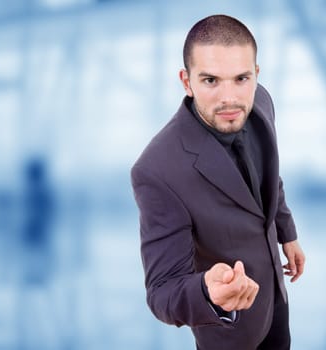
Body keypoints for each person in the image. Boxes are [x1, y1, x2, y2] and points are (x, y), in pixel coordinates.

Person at [131, 14, 305, 350]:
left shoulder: (261, 104)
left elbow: (270, 177)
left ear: (256, 75)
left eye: (241, 78)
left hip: (275, 302)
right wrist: (208, 293)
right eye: (211, 80)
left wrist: (288, 233)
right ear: (186, 81)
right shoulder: (157, 170)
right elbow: (162, 291)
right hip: (229, 329)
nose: (229, 98)